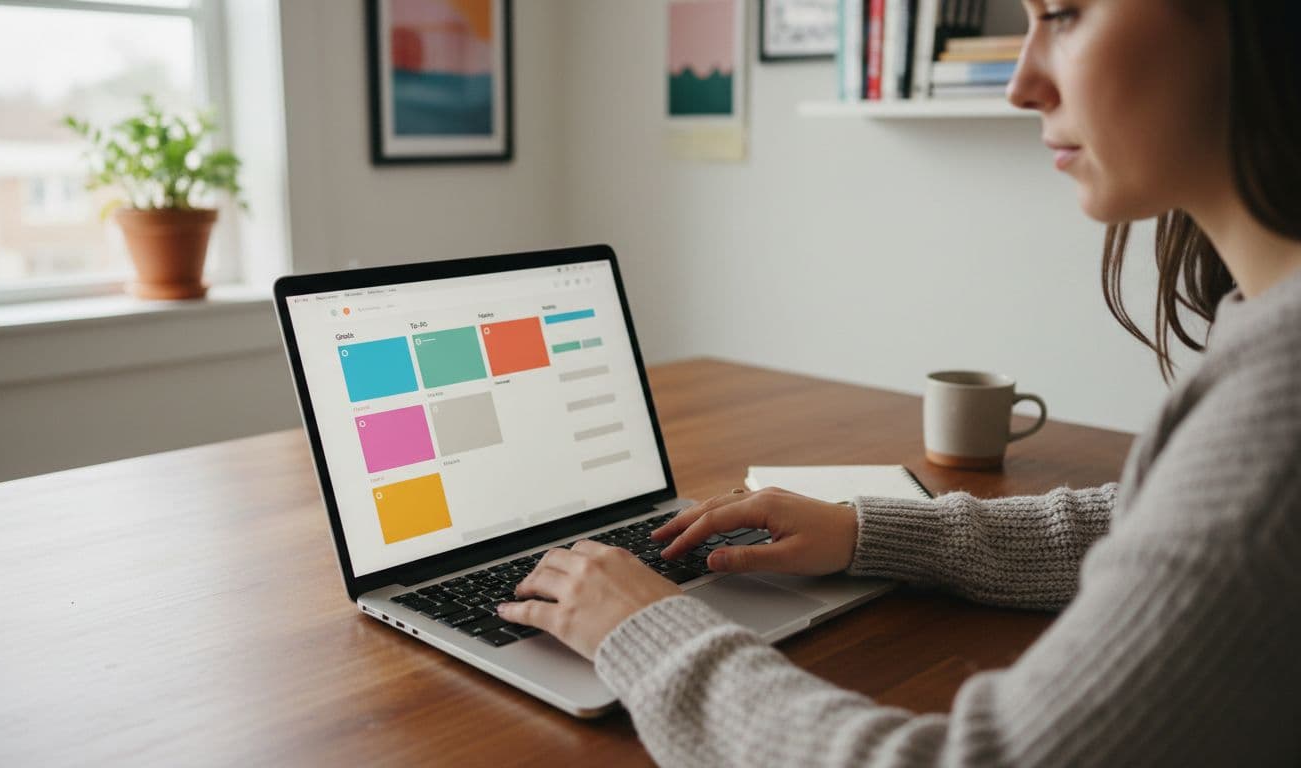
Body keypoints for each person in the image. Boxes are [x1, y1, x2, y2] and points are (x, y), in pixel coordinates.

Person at [497, 1, 1301, 764]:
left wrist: (644, 631)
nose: (1023, 82)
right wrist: (868, 533)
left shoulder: (1276, 421)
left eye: (1062, 14)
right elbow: (1149, 522)